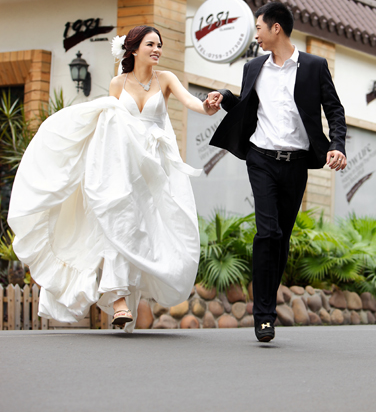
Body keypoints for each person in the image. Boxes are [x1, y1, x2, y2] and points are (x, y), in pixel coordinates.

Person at [8, 25, 220, 331]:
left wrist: (208, 106)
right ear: (133, 49)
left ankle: (132, 292)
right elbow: (109, 124)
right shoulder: (118, 83)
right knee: (118, 223)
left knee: (145, 230)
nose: (157, 50)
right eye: (151, 44)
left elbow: (192, 103)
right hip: (122, 167)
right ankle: (119, 301)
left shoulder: (166, 79)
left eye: (159, 45)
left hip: (153, 170)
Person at [208, 2, 347, 343]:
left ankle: (267, 305)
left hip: (297, 162)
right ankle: (264, 316)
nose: (255, 35)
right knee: (267, 232)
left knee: (281, 238)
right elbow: (246, 106)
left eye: (258, 28)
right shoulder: (254, 67)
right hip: (261, 158)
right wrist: (223, 97)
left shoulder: (314, 66)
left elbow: (334, 110)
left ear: (276, 28)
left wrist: (337, 145)